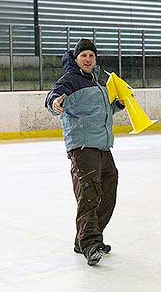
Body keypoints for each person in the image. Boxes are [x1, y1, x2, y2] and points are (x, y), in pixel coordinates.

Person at [45, 38, 125, 266]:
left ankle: (84, 239)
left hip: (101, 145)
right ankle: (91, 243)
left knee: (109, 188)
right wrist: (55, 102)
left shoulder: (98, 83)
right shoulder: (69, 80)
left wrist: (115, 107)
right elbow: (53, 98)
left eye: (91, 55)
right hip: (82, 146)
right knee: (89, 194)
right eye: (83, 56)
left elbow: (100, 112)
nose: (88, 59)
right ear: (76, 59)